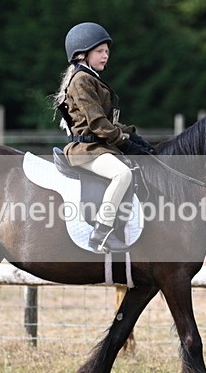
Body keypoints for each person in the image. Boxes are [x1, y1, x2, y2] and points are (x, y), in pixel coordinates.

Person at [53, 22, 153, 253]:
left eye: (107, 51)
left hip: (98, 147)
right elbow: (98, 124)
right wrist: (124, 142)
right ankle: (102, 231)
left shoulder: (91, 77)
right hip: (86, 150)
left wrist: (134, 137)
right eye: (100, 51)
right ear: (82, 54)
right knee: (122, 174)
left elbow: (108, 123)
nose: (105, 55)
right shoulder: (81, 80)